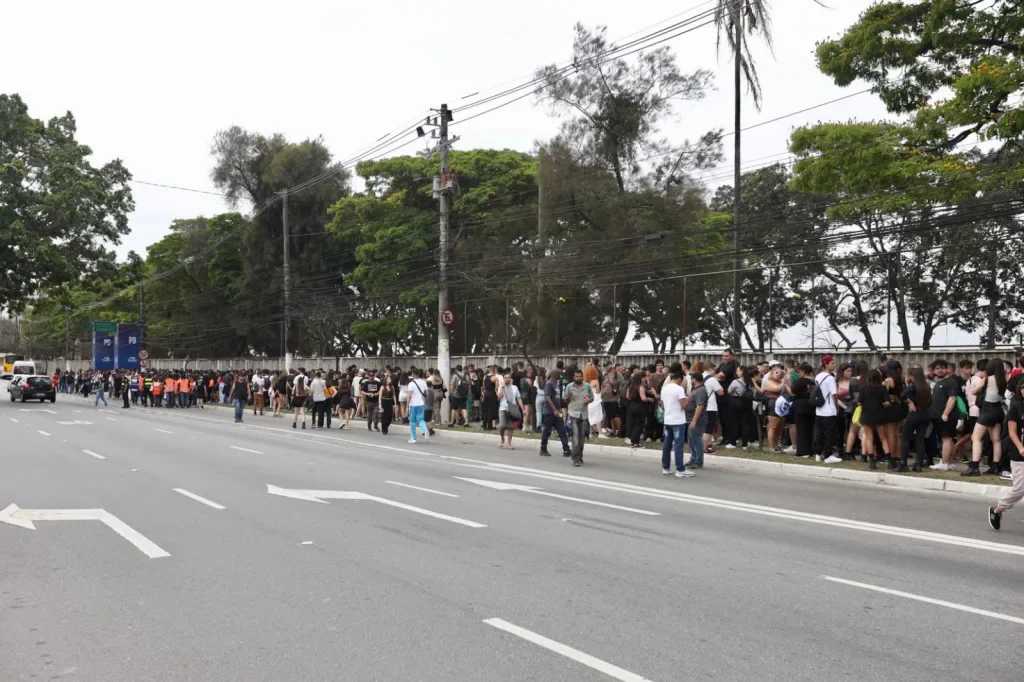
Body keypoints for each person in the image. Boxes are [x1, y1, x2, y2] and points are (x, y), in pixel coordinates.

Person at [987, 378, 1024, 530]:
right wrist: (1020, 447)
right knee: (1020, 488)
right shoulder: (1016, 408)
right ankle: (997, 510)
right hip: (1019, 452)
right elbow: (1012, 432)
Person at [964, 358, 1006, 477]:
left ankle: (974, 467)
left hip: (988, 411)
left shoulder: (987, 379)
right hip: (999, 411)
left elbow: (973, 391)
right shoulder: (1003, 380)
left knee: (975, 437)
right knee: (996, 439)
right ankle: (995, 466)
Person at [929, 359, 960, 471]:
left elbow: (952, 398)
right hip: (939, 416)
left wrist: (945, 414)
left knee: (946, 439)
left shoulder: (950, 382)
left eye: (942, 368)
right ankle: (949, 462)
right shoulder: (938, 383)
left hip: (947, 416)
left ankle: (944, 463)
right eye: (937, 368)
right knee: (949, 439)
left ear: (947, 369)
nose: (940, 370)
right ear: (933, 371)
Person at [900, 366, 932, 472]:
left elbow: (902, 395)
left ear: (913, 376)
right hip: (925, 414)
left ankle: (903, 463)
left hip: (913, 414)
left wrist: (910, 402)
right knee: (920, 439)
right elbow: (930, 401)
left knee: (906, 438)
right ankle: (918, 463)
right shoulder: (927, 386)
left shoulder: (913, 386)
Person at [660, 371, 692, 477]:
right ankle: (680, 469)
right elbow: (683, 406)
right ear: (679, 378)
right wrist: (688, 400)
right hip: (678, 420)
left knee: (667, 444)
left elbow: (662, 405)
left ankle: (666, 467)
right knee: (678, 445)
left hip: (668, 420)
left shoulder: (665, 389)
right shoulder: (679, 389)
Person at [857, 370, 890, 470]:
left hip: (867, 415)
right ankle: (890, 460)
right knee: (883, 438)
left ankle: (872, 461)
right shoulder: (882, 388)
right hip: (879, 415)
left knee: (869, 438)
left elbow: (859, 403)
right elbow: (887, 402)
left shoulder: (863, 388)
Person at [813, 356, 842, 464]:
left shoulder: (818, 376)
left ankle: (818, 453)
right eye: (832, 363)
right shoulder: (830, 378)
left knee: (820, 433)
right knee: (829, 434)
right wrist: (836, 407)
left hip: (819, 409)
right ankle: (827, 455)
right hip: (829, 410)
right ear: (826, 364)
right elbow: (834, 394)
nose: (834, 365)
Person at [563, 370, 593, 466]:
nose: (578, 378)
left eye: (580, 376)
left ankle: (580, 455)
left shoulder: (587, 386)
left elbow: (592, 397)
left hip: (584, 415)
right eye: (576, 376)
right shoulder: (569, 386)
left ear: (582, 377)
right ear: (573, 377)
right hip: (573, 415)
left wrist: (589, 400)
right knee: (575, 438)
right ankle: (576, 459)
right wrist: (568, 397)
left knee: (582, 439)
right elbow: (564, 399)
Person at [540, 369, 571, 457]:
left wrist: (559, 408)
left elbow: (557, 398)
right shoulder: (549, 384)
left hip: (557, 411)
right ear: (554, 374)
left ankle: (566, 449)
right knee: (547, 430)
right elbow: (547, 398)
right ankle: (543, 448)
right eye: (559, 374)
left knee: (562, 430)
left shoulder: (557, 384)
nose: (560, 376)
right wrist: (554, 409)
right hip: (549, 412)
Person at [725, 366, 756, 450]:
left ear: (742, 371)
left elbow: (729, 391)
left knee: (734, 423)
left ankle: (733, 442)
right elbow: (754, 392)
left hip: (736, 403)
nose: (736, 373)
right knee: (745, 424)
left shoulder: (735, 381)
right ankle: (745, 444)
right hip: (748, 404)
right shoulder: (750, 381)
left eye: (738, 371)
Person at [791, 364, 816, 459]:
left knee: (801, 430)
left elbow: (793, 391)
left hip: (800, 407)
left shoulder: (800, 382)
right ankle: (809, 450)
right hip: (811, 407)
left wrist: (787, 386)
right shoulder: (813, 382)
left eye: (799, 372)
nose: (798, 374)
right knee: (809, 430)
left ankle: (801, 452)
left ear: (803, 371)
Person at [685, 373, 708, 469]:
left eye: (691, 378)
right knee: (691, 440)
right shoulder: (696, 389)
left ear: (695, 379)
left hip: (697, 420)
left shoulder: (701, 390)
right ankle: (693, 458)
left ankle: (699, 461)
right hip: (690, 419)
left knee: (697, 440)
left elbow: (700, 406)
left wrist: (694, 420)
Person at [497, 372, 525, 450]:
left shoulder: (515, 387)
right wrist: (502, 387)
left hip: (512, 409)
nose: (507, 379)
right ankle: (502, 438)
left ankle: (509, 443)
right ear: (503, 379)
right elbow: (499, 397)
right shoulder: (501, 387)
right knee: (502, 425)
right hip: (503, 408)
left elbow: (518, 398)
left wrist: (523, 409)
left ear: (511, 379)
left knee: (511, 427)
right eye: (505, 378)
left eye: (509, 377)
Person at [625, 374, 651, 449]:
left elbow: (627, 397)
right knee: (639, 425)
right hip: (640, 407)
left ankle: (634, 441)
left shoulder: (630, 387)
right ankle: (635, 441)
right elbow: (643, 398)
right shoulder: (640, 387)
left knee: (634, 424)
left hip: (632, 406)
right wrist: (649, 399)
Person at [406, 368, 430, 444]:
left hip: (413, 404)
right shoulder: (424, 382)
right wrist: (424, 401)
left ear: (413, 374)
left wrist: (407, 407)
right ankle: (425, 430)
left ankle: (413, 438)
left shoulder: (411, 384)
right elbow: (427, 394)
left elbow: (409, 396)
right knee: (421, 419)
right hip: (421, 404)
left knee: (412, 421)